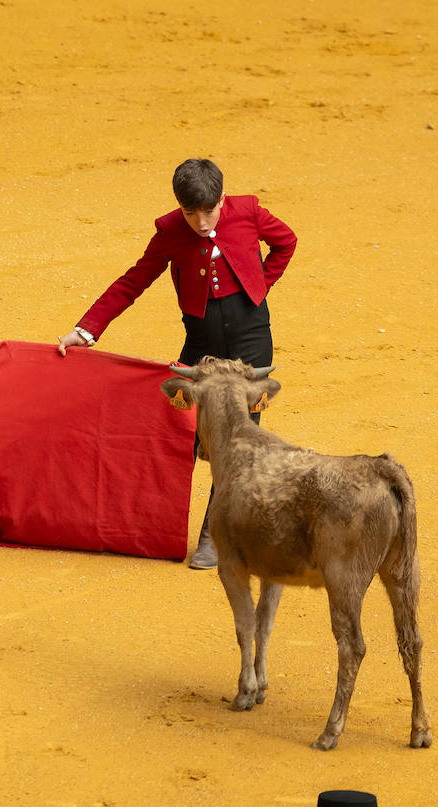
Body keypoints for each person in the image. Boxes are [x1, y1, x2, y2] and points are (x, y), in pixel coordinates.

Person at [57, 158, 297, 569]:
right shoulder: (170, 230)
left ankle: (215, 536)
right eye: (190, 213)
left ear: (223, 199)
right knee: (178, 433)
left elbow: (286, 242)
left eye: (209, 211)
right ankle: (155, 524)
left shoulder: (249, 210)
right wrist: (87, 329)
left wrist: (260, 284)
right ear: (180, 207)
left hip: (250, 346)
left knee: (235, 444)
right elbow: (134, 279)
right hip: (200, 347)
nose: (201, 223)